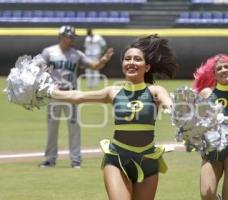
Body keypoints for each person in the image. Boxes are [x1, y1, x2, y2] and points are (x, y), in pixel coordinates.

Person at [46, 34, 179, 199]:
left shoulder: (154, 91)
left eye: (137, 59)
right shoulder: (113, 92)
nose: (131, 62)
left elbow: (168, 102)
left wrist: (173, 109)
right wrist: (48, 92)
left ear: (147, 67)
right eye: (127, 59)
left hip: (148, 160)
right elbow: (77, 96)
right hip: (117, 158)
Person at [38, 25, 114, 168]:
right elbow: (40, 69)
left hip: (72, 94)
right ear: (61, 37)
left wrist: (103, 60)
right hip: (54, 94)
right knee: (52, 127)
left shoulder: (76, 54)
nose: (72, 39)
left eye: (73, 37)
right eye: (69, 37)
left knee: (74, 127)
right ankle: (50, 159)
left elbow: (94, 66)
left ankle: (75, 160)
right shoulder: (49, 52)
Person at [193, 54, 228, 200]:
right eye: (219, 68)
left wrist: (220, 126)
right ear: (214, 75)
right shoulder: (206, 93)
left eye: (227, 67)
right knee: (207, 194)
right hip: (212, 149)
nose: (224, 70)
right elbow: (197, 121)